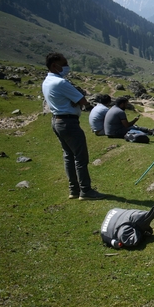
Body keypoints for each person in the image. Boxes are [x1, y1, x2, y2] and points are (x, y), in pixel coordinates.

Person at [41, 52, 105, 200]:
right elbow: (83, 101)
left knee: (68, 156)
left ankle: (74, 190)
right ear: (54, 66)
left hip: (57, 121)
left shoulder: (46, 82)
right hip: (69, 122)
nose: (67, 67)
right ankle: (86, 190)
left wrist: (73, 101)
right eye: (64, 64)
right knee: (80, 158)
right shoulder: (61, 82)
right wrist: (77, 101)